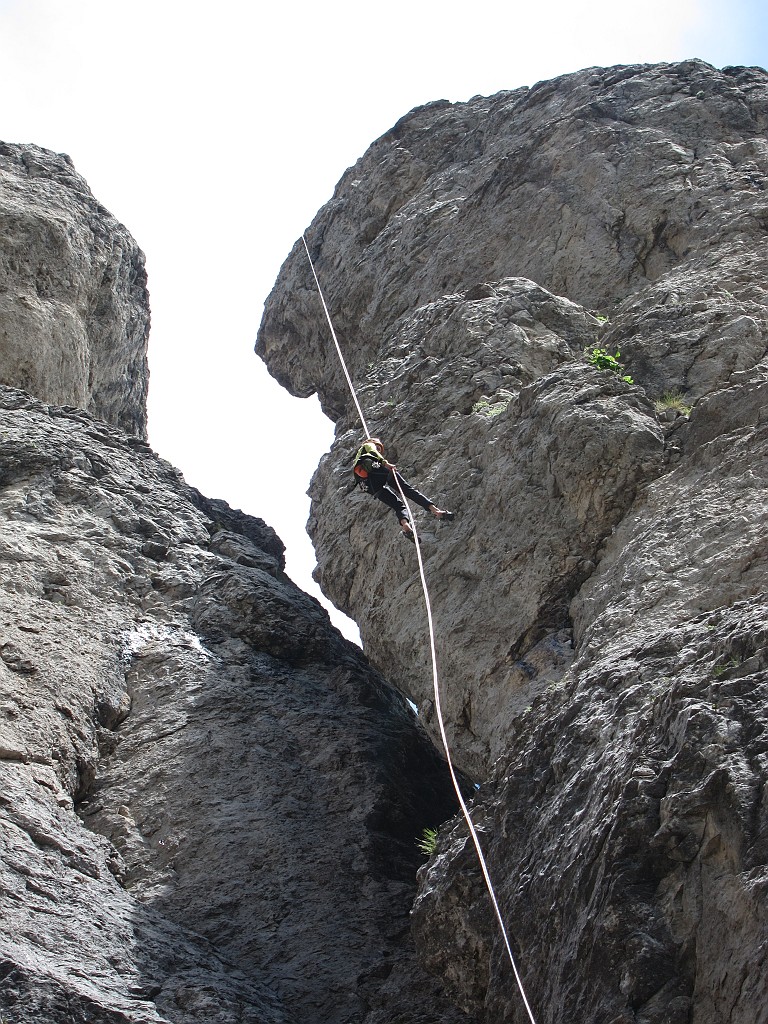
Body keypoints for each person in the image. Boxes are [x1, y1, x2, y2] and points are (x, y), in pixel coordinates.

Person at [352, 437, 454, 540]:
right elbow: (373, 451)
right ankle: (436, 511)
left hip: (367, 484)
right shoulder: (368, 445)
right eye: (379, 448)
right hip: (376, 470)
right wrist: (386, 463)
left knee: (398, 506)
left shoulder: (357, 460)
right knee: (407, 490)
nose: (379, 451)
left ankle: (406, 526)